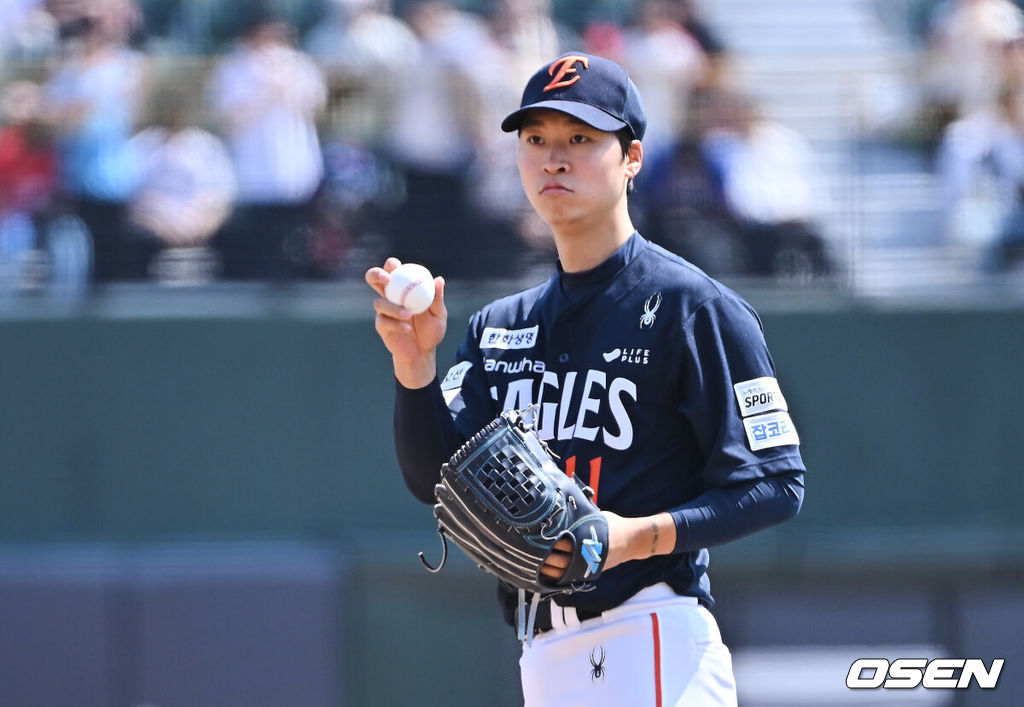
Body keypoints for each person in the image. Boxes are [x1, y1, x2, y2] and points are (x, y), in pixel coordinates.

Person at [365, 52, 806, 705]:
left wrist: (634, 537)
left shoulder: (694, 308)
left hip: (649, 632)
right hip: (541, 649)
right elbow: (433, 480)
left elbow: (775, 482)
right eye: (536, 139)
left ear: (631, 158)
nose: (554, 158)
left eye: (581, 138)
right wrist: (414, 365)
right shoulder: (497, 326)